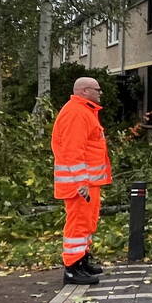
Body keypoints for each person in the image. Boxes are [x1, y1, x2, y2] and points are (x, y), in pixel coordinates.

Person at [51, 77, 112, 285]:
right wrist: (81, 183)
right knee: (78, 225)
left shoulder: (83, 111)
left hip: (86, 183)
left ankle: (81, 261)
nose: (100, 92)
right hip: (80, 185)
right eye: (97, 89)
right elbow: (72, 151)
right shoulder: (76, 113)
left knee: (86, 223)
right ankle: (72, 269)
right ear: (85, 91)